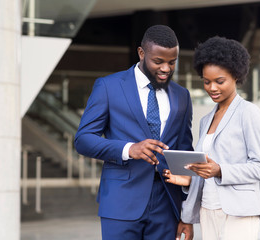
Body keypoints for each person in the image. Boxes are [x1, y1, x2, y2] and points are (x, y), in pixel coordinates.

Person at [74, 25, 194, 240]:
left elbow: (185, 151)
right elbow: (83, 140)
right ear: (141, 53)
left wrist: (187, 214)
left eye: (172, 62)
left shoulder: (182, 96)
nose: (166, 68)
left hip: (167, 204)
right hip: (121, 201)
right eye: (158, 61)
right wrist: (129, 149)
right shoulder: (108, 86)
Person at [164, 36, 260, 240]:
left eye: (219, 81)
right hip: (207, 209)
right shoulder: (206, 120)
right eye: (206, 81)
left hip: (239, 212)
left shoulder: (248, 113)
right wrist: (188, 180)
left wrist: (220, 170)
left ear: (236, 77)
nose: (212, 88)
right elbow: (205, 171)